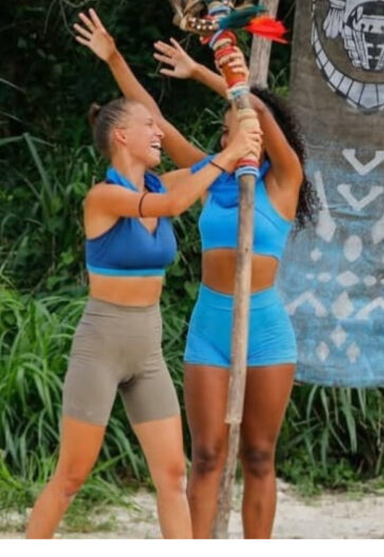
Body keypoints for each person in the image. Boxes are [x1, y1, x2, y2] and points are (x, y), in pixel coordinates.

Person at [74, 9, 315, 538]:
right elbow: (153, 121)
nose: (232, 137)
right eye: (225, 133)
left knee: (259, 455)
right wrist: (114, 59)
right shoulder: (212, 177)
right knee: (205, 454)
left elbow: (254, 109)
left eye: (240, 130)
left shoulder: (284, 180)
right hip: (210, 323)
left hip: (266, 327)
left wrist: (211, 68)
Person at [25, 83, 261, 538]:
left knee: (173, 476)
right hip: (101, 347)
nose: (159, 132)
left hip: (147, 352)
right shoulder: (103, 197)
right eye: (149, 125)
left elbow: (212, 174)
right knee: (71, 476)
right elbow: (173, 203)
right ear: (121, 136)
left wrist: (244, 123)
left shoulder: (163, 183)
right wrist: (231, 152)